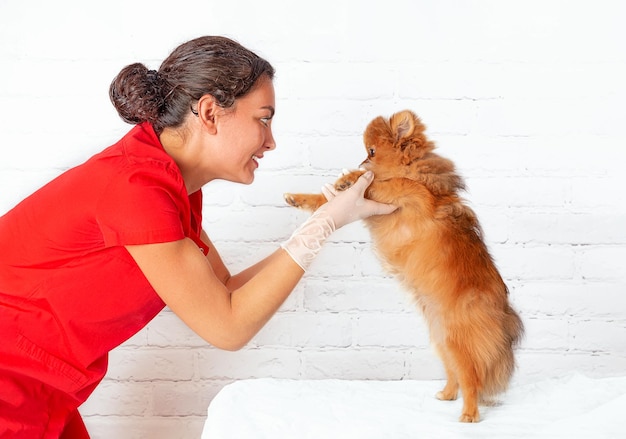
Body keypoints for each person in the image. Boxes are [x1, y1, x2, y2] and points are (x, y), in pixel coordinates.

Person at [0, 36, 396, 438]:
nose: (271, 140)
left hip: (45, 389)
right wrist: (322, 224)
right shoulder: (136, 188)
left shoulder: (167, 185)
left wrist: (325, 222)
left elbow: (224, 291)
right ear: (209, 113)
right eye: (263, 118)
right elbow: (228, 327)